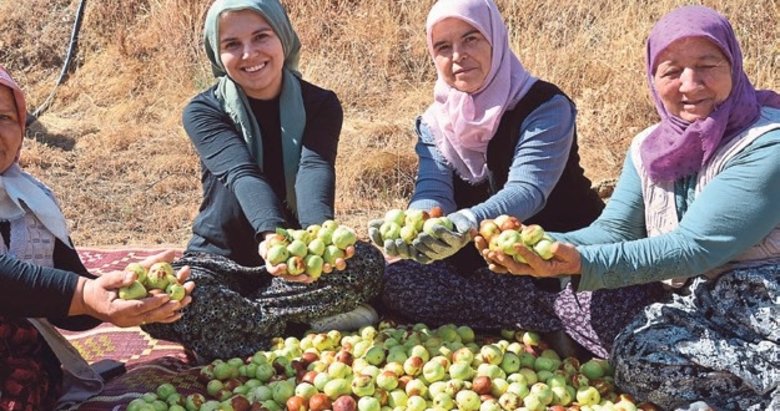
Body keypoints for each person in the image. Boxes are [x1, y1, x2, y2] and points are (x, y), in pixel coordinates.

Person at [483, 5, 780, 409]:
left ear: (734, 66)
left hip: (764, 306)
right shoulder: (649, 148)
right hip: (699, 305)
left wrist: (577, 263)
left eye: (707, 65)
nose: (690, 85)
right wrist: (537, 245)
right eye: (672, 71)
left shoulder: (767, 144)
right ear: (654, 79)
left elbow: (694, 248)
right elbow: (614, 233)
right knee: (634, 355)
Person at [375, 0, 665, 359]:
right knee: (400, 279)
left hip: (562, 253)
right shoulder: (435, 122)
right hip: (488, 260)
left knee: (620, 307)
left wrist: (465, 222)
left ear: (496, 40)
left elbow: (528, 190)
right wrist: (415, 225)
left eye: (471, 39)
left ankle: (536, 319)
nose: (458, 56)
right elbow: (433, 191)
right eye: (443, 47)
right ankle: (552, 323)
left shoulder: (545, 105)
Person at [142, 0, 384, 363]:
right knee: (174, 300)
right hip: (222, 260)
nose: (249, 54)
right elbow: (241, 174)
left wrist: (317, 242)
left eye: (261, 37)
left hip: (296, 261)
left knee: (367, 264)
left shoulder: (321, 104)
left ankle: (237, 330)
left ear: (283, 38)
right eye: (232, 44)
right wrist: (271, 236)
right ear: (217, 51)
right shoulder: (203, 110)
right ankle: (300, 322)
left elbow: (314, 168)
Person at [0, 66, 194, 410]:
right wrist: (85, 294)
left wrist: (120, 289)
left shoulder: (31, 201)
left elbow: (68, 309)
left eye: (3, 117)